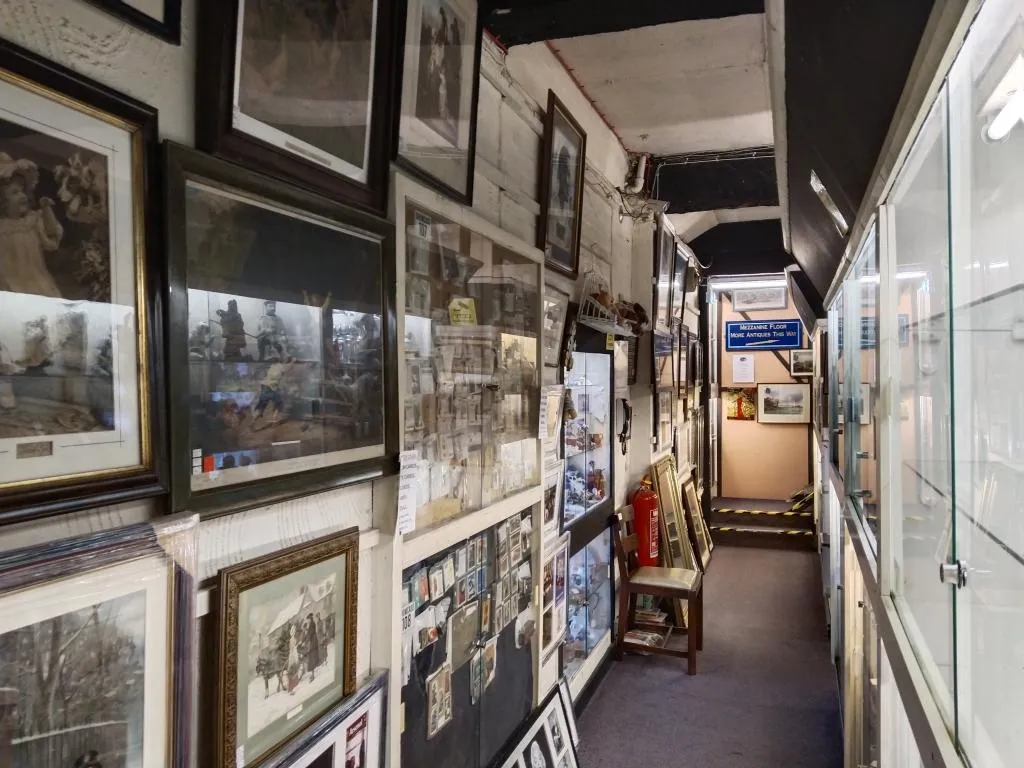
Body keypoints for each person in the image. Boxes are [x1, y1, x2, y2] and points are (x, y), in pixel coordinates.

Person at [0, 152, 64, 298]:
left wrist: (47, 211)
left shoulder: (32, 221)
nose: (22, 195)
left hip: (37, 283)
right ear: (2, 202)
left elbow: (52, 237)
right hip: (8, 286)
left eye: (23, 190)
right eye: (15, 192)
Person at [287, 623, 299, 694]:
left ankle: (293, 688)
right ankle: (291, 689)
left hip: (294, 654)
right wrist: (293, 657)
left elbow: (294, 647)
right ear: (291, 632)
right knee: (292, 670)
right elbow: (291, 649)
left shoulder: (294, 638)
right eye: (293, 631)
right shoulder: (291, 639)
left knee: (294, 671)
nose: (294, 632)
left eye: (294, 630)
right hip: (292, 656)